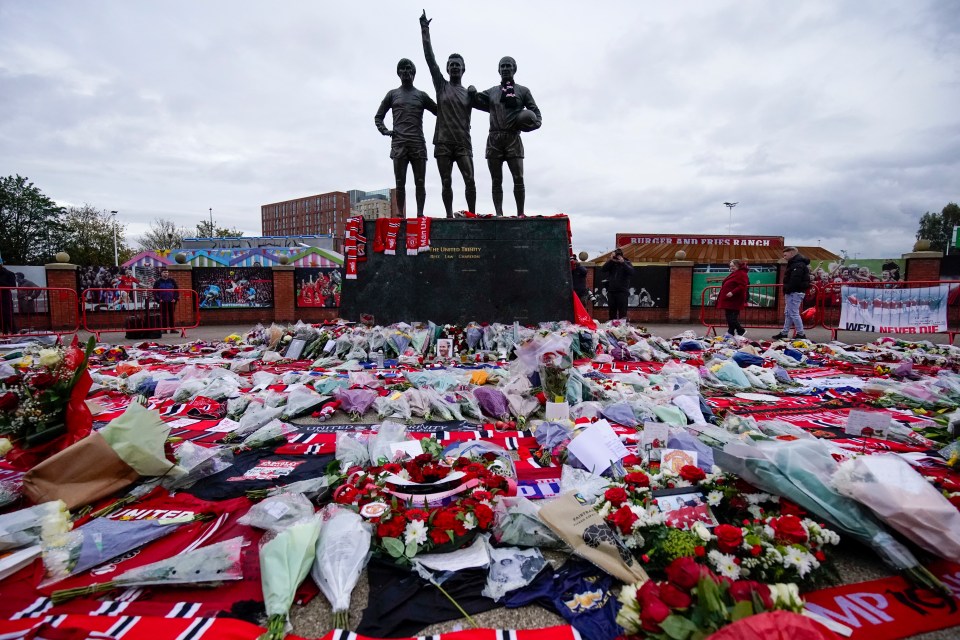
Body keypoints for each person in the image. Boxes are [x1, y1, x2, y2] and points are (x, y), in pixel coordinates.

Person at [420, 11, 477, 217]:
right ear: (447, 68)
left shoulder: (470, 93)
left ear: (463, 69)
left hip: (463, 142)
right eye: (451, 65)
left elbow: (492, 105)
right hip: (443, 142)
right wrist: (425, 31)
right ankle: (449, 215)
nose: (454, 67)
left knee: (469, 179)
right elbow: (429, 59)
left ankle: (472, 215)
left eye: (457, 65)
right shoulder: (441, 85)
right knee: (446, 181)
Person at [472, 56, 541, 216]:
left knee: (518, 178)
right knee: (496, 180)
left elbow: (536, 113)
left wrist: (533, 125)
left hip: (513, 138)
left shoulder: (523, 91)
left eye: (508, 66)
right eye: (502, 66)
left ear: (514, 69)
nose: (505, 69)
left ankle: (520, 214)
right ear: (498, 70)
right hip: (494, 139)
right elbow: (476, 101)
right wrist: (472, 91)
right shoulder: (492, 92)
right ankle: (499, 214)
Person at [375, 58, 438, 218]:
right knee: (400, 182)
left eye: (408, 68)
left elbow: (440, 112)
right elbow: (378, 117)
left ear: (414, 73)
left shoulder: (421, 95)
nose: (405, 71)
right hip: (399, 143)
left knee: (420, 182)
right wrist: (385, 131)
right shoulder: (392, 94)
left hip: (417, 143)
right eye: (402, 69)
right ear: (398, 73)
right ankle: (399, 213)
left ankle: (420, 214)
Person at [773, 246, 811, 340]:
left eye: (785, 254)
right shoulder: (796, 263)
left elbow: (795, 280)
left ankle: (801, 334)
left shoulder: (797, 265)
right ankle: (785, 332)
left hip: (794, 292)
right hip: (794, 292)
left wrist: (788, 289)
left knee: (793, 313)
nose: (784, 257)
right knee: (788, 313)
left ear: (792, 253)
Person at [717, 259, 749, 340]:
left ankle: (740, 330)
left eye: (733, 266)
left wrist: (732, 292)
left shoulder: (741, 274)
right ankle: (731, 332)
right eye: (730, 266)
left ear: (738, 265)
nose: (731, 268)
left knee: (732, 317)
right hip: (730, 299)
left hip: (735, 299)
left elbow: (742, 286)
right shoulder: (736, 273)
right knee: (729, 316)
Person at [600, 248, 633, 320]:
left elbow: (631, 272)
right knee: (612, 312)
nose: (617, 257)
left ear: (622, 256)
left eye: (618, 255)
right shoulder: (612, 263)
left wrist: (623, 263)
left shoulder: (627, 262)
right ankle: (612, 328)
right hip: (611, 291)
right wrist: (611, 260)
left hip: (622, 292)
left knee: (622, 312)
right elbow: (603, 269)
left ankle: (622, 328)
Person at [152, 268, 179, 333]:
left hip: (171, 301)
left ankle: (173, 329)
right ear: (161, 273)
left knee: (172, 315)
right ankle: (164, 329)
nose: (166, 273)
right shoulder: (158, 282)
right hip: (162, 301)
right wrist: (159, 300)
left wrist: (174, 299)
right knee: (164, 316)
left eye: (167, 272)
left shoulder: (172, 281)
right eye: (164, 272)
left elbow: (176, 291)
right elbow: (155, 292)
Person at [0, 258, 16, 335]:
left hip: (5, 296)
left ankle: (13, 332)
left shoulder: (9, 274)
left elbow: (13, 286)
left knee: (8, 314)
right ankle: (3, 333)